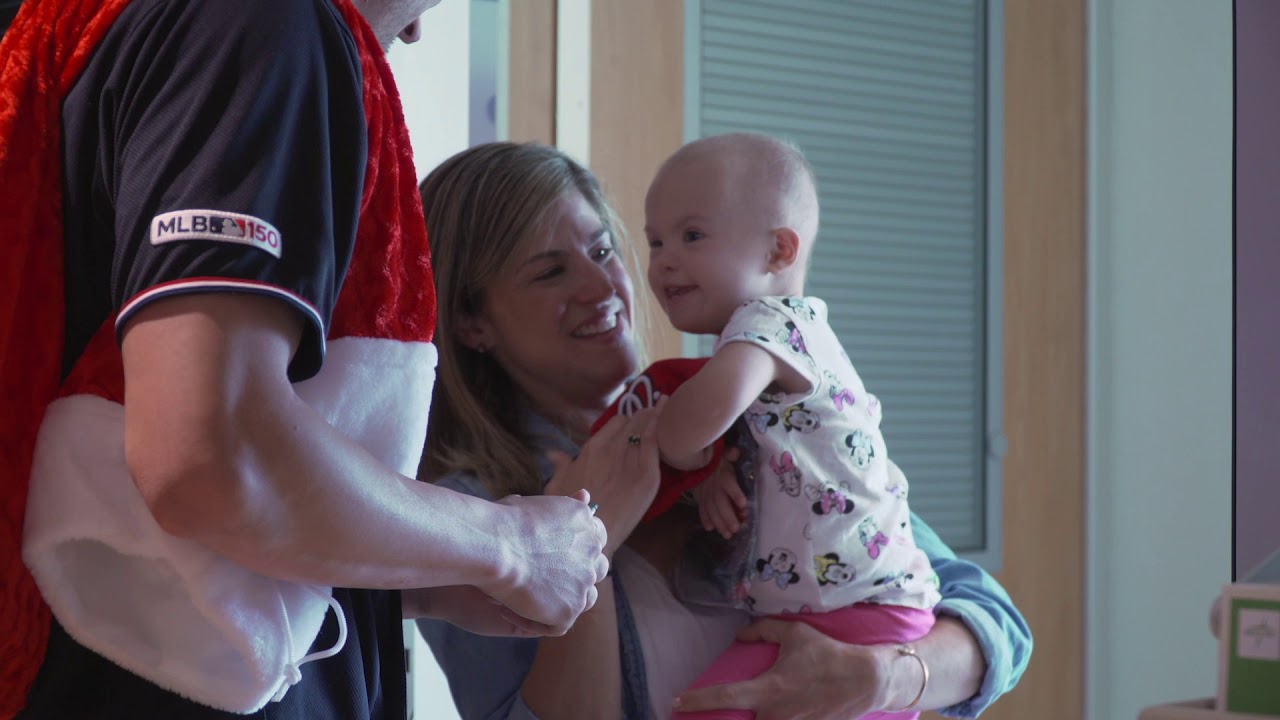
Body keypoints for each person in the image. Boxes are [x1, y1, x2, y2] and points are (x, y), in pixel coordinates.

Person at [0, 1, 608, 718]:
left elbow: (117, 484)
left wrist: (416, 570)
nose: (413, 33)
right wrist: (508, 545)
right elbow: (208, 460)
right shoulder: (259, 22)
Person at [415, 141, 1033, 720]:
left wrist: (880, 677)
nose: (601, 286)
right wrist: (585, 541)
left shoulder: (751, 409)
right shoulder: (467, 510)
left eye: (603, 252)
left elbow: (993, 623)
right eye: (550, 272)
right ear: (473, 323)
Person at [638, 132, 938, 720]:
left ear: (778, 252)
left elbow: (679, 436)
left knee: (704, 711)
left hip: (857, 609)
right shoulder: (791, 339)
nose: (664, 259)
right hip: (861, 605)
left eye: (692, 235)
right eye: (655, 241)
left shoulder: (765, 330)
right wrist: (710, 474)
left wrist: (655, 419)